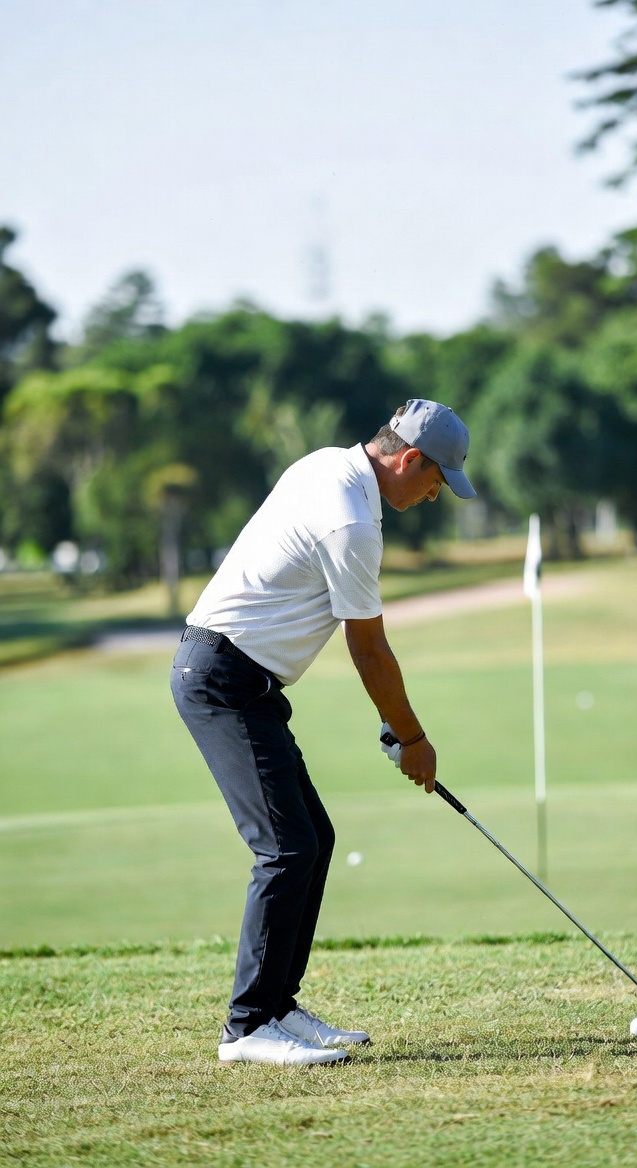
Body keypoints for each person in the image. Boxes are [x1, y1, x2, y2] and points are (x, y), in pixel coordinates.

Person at [171, 398, 476, 1066]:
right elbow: (369, 649)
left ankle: (280, 1007)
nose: (434, 496)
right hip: (222, 678)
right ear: (409, 459)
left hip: (242, 679)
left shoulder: (330, 468)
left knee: (313, 838)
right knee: (285, 847)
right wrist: (413, 738)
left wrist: (398, 730)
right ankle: (248, 1027)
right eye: (437, 481)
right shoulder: (352, 521)